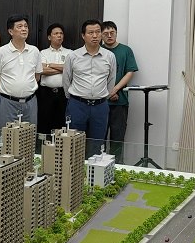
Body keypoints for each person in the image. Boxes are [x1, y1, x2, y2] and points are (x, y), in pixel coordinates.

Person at [63, 19, 116, 158]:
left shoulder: (109, 56)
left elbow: (111, 81)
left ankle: (93, 170)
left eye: (98, 32)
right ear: (83, 35)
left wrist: (102, 96)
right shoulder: (73, 56)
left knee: (97, 145)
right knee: (74, 144)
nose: (95, 36)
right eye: (91, 32)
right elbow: (66, 80)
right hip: (77, 105)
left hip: (100, 106)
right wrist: (74, 98)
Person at [0, 15, 43, 129]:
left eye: (26, 26)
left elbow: (37, 76)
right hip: (8, 102)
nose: (24, 29)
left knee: (29, 135)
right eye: (19, 26)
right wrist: (7, 92)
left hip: (30, 101)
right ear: (11, 31)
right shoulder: (1, 52)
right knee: (7, 135)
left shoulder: (34, 51)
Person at [102, 21, 138, 164]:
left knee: (118, 138)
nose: (109, 36)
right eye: (106, 34)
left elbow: (130, 72)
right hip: (100, 102)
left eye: (112, 33)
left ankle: (116, 167)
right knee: (99, 138)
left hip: (120, 101)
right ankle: (99, 167)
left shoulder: (126, 50)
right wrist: (108, 93)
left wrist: (115, 89)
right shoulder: (98, 50)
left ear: (116, 33)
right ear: (101, 35)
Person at [37, 23, 72, 135]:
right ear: (49, 37)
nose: (59, 36)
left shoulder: (70, 53)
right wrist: (63, 68)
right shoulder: (43, 53)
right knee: (45, 122)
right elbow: (42, 70)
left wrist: (50, 65)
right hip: (45, 94)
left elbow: (71, 70)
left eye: (61, 33)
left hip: (64, 93)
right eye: (56, 33)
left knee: (62, 124)